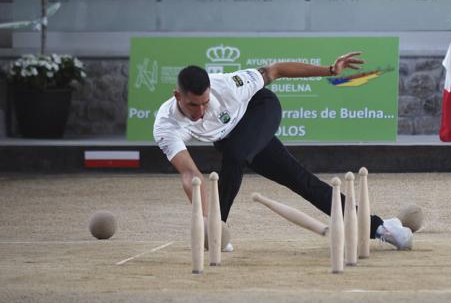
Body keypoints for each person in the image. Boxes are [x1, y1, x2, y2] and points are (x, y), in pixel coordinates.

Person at [153, 52, 413, 251]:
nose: (200, 112)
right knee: (303, 182)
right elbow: (191, 174)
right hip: (237, 140)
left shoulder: (230, 85)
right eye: (192, 105)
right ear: (177, 95)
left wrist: (331, 70)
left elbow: (276, 70)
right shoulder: (166, 124)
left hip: (260, 111)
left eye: (205, 103)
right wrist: (205, 217)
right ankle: (381, 227)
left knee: (234, 156)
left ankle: (219, 228)